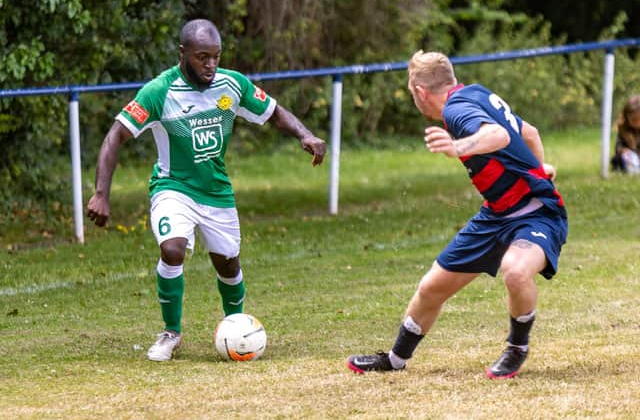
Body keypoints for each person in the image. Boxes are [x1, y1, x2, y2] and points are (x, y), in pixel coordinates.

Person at [87, 19, 326, 362]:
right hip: (173, 188)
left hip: (216, 192)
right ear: (182, 53)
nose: (211, 65)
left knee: (227, 265)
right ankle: (171, 333)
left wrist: (305, 134)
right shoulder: (159, 92)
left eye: (215, 56)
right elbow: (115, 136)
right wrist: (101, 192)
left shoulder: (232, 85)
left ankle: (237, 326)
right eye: (202, 57)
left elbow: (273, 113)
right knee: (172, 250)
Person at [346, 50, 568, 379]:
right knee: (431, 288)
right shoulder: (475, 92)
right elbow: (530, 132)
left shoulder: (456, 110)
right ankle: (395, 359)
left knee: (516, 271)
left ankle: (516, 348)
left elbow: (500, 136)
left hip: (536, 214)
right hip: (495, 215)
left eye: (412, 94)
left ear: (420, 92)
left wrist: (458, 147)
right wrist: (539, 166)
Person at [611, 95, 640, 174]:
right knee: (616, 159)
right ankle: (630, 169)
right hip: (630, 157)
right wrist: (622, 150)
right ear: (627, 117)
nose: (637, 123)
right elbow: (618, 145)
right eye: (634, 120)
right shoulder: (623, 129)